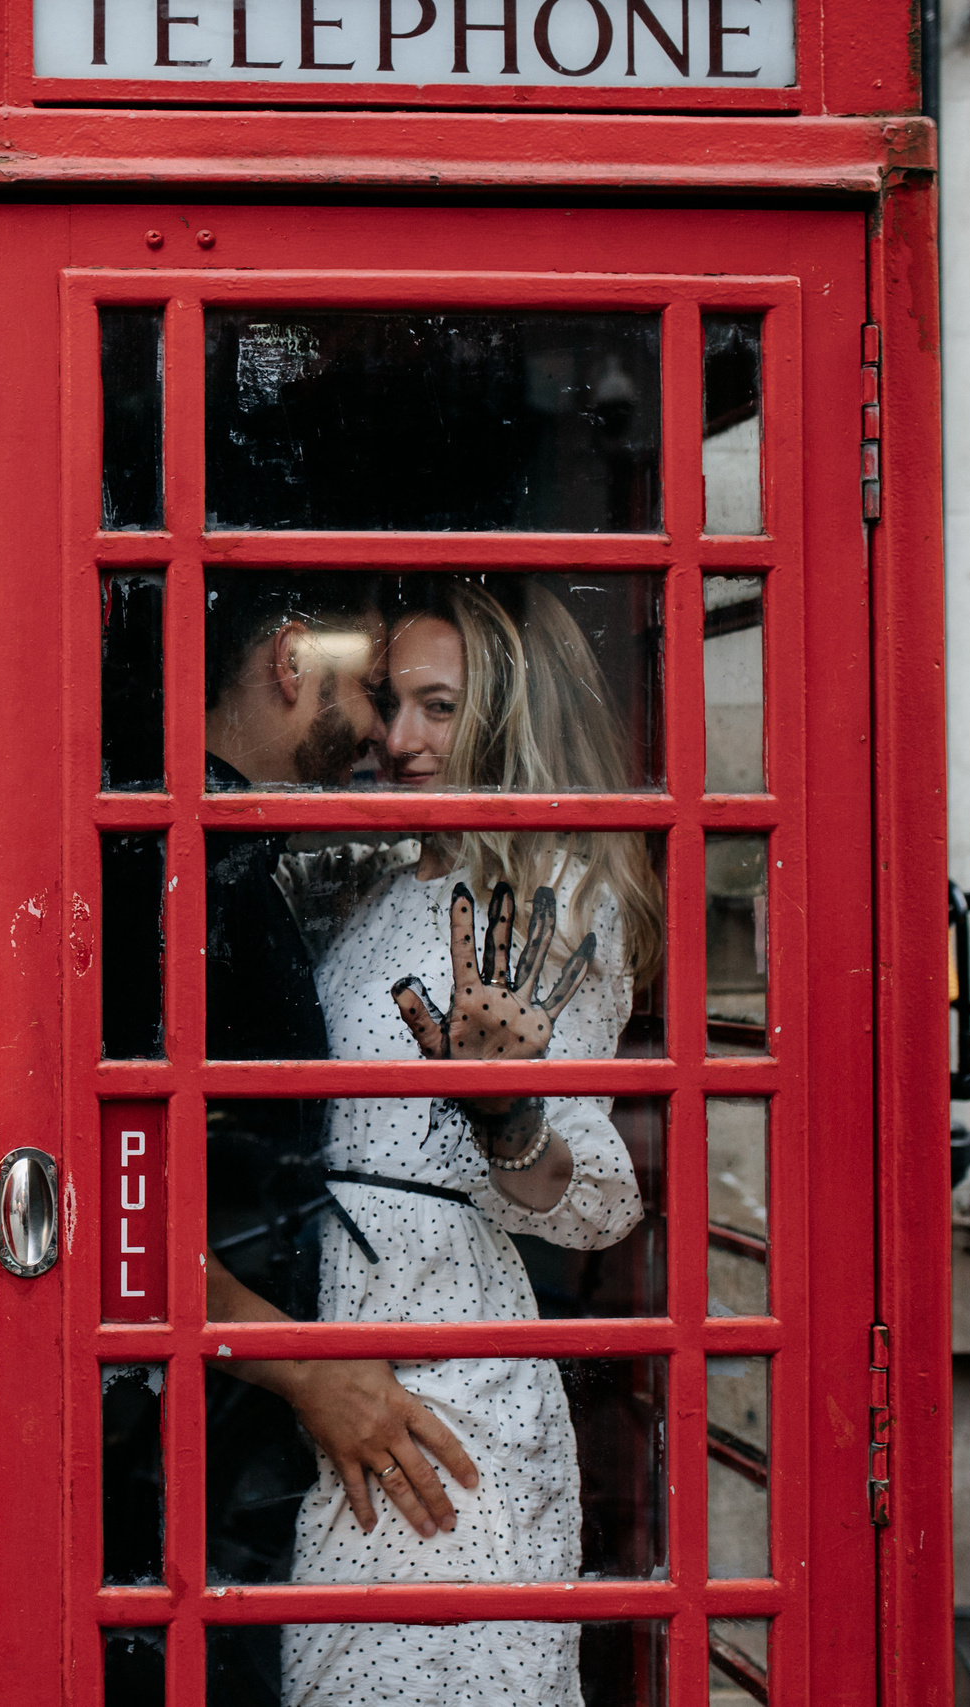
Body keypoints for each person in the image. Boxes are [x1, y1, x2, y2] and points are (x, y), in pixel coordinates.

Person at [272, 578, 666, 1705]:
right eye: (391, 704)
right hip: (335, 1368)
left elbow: (597, 1195)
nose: (398, 739)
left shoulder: (548, 895)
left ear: (507, 713)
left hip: (434, 1402)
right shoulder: (393, 881)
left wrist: (509, 1110)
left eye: (437, 709)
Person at [193, 574, 506, 1672]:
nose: (385, 729)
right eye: (373, 687)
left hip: (247, 1437)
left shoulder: (245, 859)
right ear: (292, 664)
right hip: (185, 1443)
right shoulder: (180, 875)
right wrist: (303, 1372)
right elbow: (110, 1194)